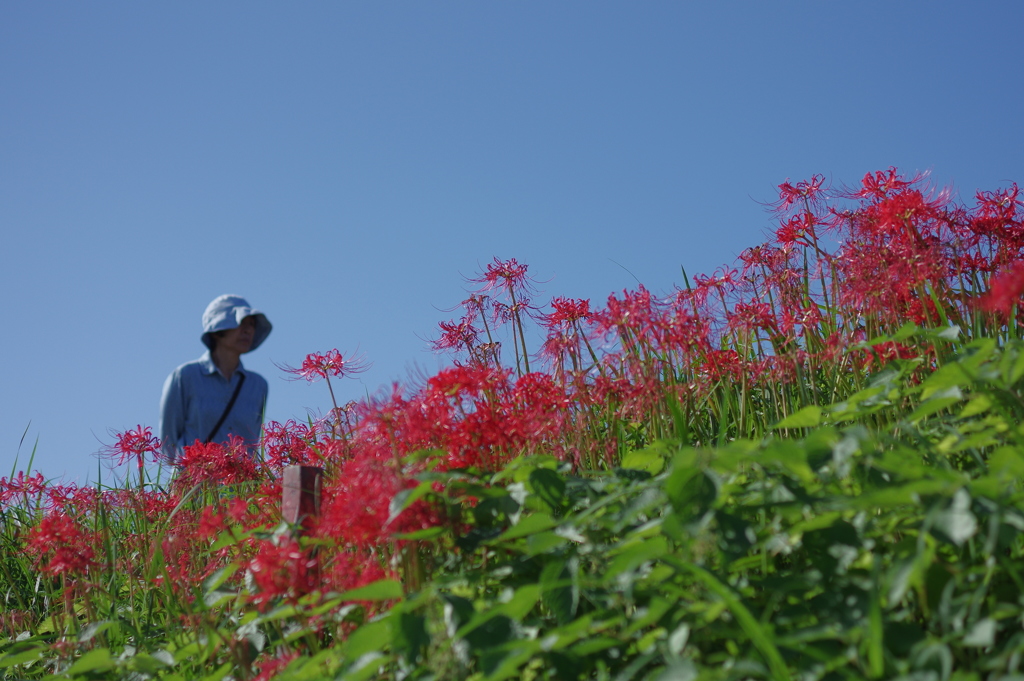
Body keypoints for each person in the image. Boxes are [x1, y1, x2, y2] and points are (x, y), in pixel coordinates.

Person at [159, 295, 272, 464]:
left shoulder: (258, 385)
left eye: (252, 325)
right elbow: (169, 444)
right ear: (218, 331)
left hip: (239, 486)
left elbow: (253, 445)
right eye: (241, 323)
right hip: (193, 483)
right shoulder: (185, 376)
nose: (248, 330)